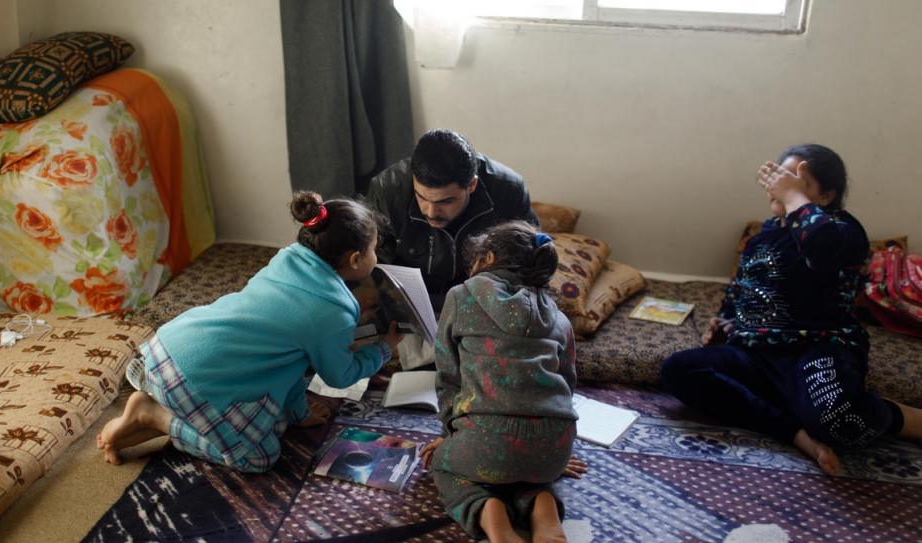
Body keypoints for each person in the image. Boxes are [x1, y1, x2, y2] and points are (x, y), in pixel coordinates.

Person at [660, 144, 922, 475]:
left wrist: (794, 197)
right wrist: (725, 325)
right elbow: (741, 295)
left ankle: (908, 418)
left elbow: (823, 250)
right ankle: (795, 432)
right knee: (678, 370)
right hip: (759, 357)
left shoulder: (843, 229)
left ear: (826, 196)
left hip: (816, 349)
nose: (781, 186)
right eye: (780, 177)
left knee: (842, 424)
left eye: (797, 181)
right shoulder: (760, 238)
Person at [96, 191, 403, 472]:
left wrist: (298, 412)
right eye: (374, 250)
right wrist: (383, 349)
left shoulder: (287, 260)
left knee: (273, 421)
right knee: (258, 456)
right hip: (190, 378)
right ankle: (154, 416)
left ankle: (150, 415)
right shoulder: (333, 312)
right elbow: (341, 375)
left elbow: (294, 364)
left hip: (167, 347)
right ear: (355, 259)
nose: (376, 257)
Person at [419, 221, 579, 543]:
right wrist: (555, 447)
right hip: (554, 450)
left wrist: (449, 437)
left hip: (485, 443)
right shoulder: (559, 318)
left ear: (488, 258)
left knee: (440, 464)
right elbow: (568, 382)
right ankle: (540, 501)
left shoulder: (461, 296)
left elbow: (448, 375)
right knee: (524, 468)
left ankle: (487, 511)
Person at [365, 128, 540, 315]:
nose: (431, 212)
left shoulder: (508, 191)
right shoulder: (386, 193)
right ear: (413, 178)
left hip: (483, 305)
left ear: (471, 185)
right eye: (421, 197)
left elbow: (528, 263)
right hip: (409, 305)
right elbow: (375, 268)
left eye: (446, 201)